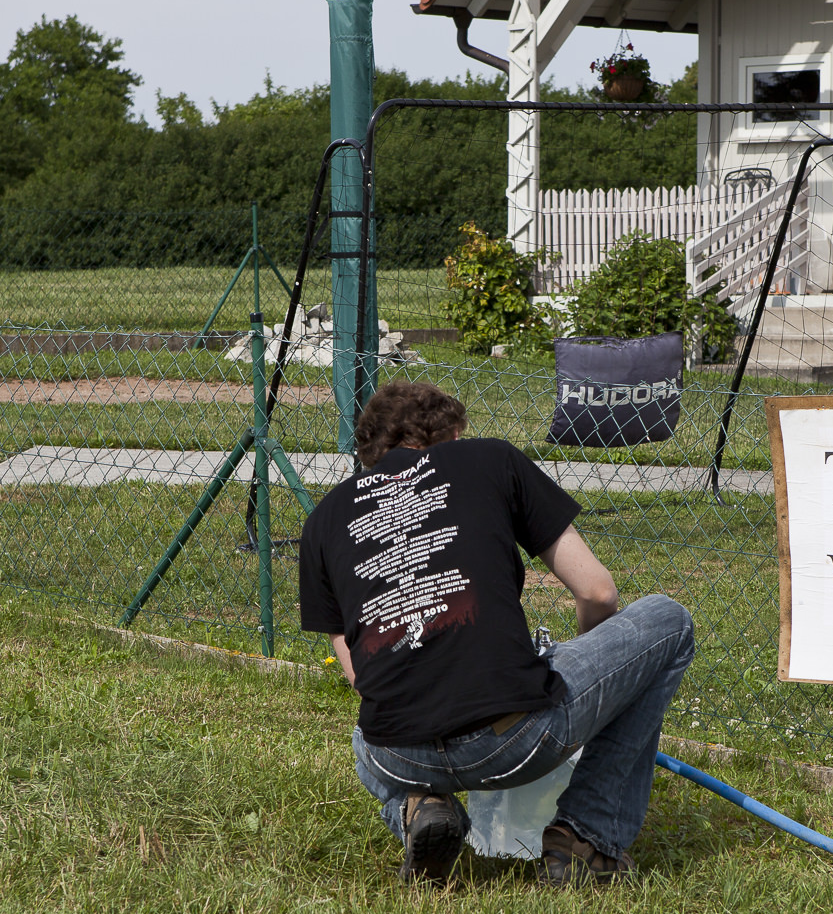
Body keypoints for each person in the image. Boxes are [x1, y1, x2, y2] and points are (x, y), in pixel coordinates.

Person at [298, 379, 696, 887]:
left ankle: (418, 808)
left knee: (364, 738)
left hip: (395, 752)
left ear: (371, 452)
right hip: (516, 738)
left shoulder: (324, 519)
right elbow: (598, 593)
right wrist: (592, 688)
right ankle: (587, 839)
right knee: (669, 620)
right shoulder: (490, 460)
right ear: (450, 436)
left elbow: (356, 673)